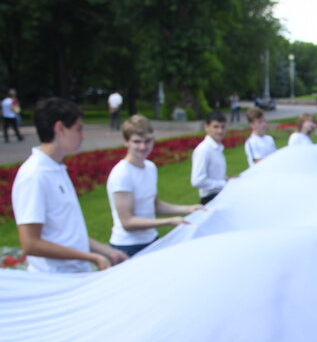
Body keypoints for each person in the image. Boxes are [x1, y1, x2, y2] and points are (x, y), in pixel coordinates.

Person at [12, 97, 127, 273]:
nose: (83, 136)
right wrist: (91, 257)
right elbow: (30, 243)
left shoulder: (56, 168)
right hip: (55, 282)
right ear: (60, 129)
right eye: (78, 129)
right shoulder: (34, 175)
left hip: (75, 276)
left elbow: (67, 235)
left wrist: (108, 252)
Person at [107, 115, 202, 257]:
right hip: (128, 246)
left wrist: (188, 209)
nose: (143, 147)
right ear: (126, 142)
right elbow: (127, 222)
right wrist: (170, 221)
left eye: (148, 141)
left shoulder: (150, 167)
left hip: (151, 240)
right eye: (137, 142)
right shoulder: (122, 173)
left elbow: (155, 206)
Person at [191, 111, 228, 205]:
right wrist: (223, 183)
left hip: (220, 195)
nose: (220, 131)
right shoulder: (203, 150)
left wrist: (228, 180)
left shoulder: (218, 148)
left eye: (223, 127)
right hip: (210, 199)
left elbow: (216, 175)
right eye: (216, 127)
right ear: (206, 127)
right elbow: (197, 180)